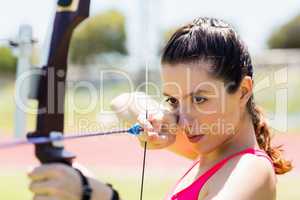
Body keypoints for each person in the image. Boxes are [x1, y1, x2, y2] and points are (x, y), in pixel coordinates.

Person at [28, 17, 292, 200]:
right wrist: (156, 117)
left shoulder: (250, 169)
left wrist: (93, 194)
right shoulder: (208, 151)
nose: (185, 121)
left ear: (243, 91)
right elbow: (123, 102)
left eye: (200, 99)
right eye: (174, 100)